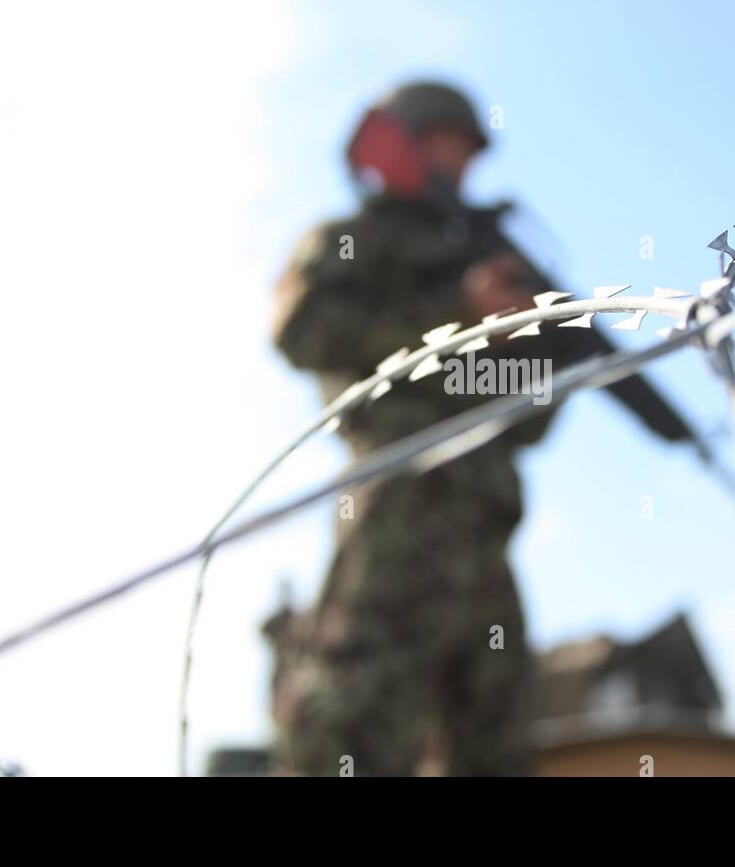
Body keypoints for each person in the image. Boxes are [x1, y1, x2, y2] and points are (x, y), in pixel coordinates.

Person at [268, 81, 699, 776]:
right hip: (397, 507)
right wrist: (459, 309)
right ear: (405, 143)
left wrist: (544, 351)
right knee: (351, 726)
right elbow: (301, 328)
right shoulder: (356, 240)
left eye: (468, 153)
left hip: (486, 527)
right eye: (446, 146)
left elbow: (521, 426)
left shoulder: (485, 247)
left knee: (493, 745)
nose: (461, 167)